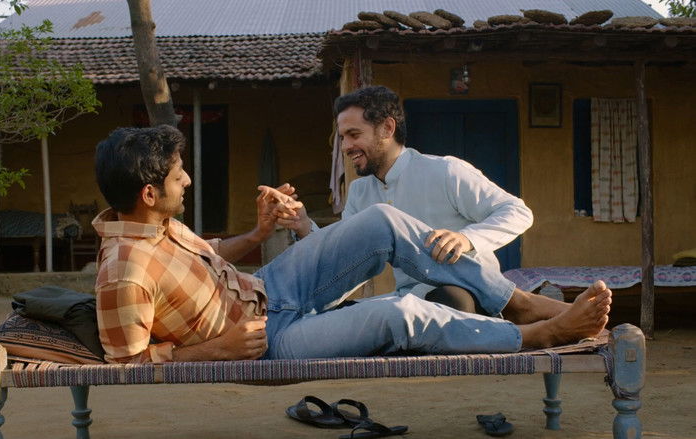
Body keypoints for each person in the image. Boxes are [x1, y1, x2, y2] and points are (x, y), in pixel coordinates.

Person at [92, 125, 610, 363]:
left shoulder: (155, 222)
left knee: (383, 221)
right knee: (400, 313)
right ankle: (534, 336)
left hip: (269, 286)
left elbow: (204, 256)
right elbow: (127, 366)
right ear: (148, 193)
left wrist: (257, 235)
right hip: (268, 340)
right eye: (178, 177)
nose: (187, 181)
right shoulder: (124, 273)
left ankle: (515, 302)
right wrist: (217, 351)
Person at [281, 86, 534, 314]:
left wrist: (467, 239)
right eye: (342, 137)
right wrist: (303, 225)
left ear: (387, 128)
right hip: (408, 302)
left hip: (466, 294)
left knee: (450, 303)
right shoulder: (360, 192)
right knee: (330, 317)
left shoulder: (445, 171)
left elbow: (517, 212)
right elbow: (343, 257)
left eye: (354, 134)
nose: (346, 146)